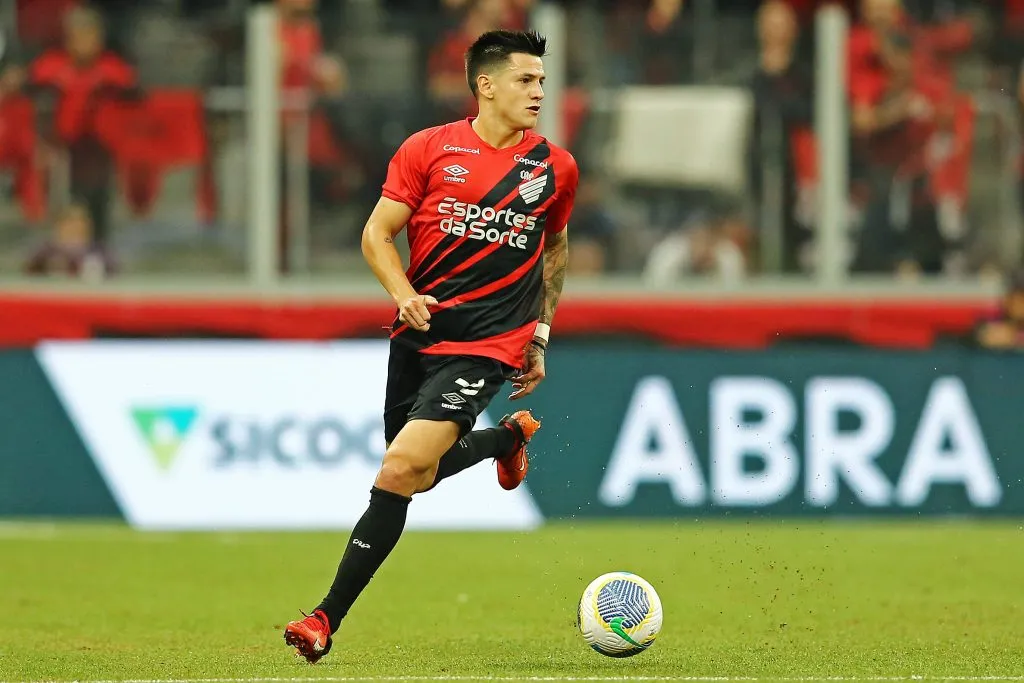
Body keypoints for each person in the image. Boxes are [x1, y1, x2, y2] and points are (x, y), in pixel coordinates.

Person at [282, 28, 578, 663]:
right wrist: (402, 292)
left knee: (398, 469)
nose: (538, 91)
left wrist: (541, 332)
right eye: (526, 80)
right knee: (411, 471)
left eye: (542, 81)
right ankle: (507, 439)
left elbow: (553, 245)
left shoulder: (554, 168)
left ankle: (323, 618)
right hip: (419, 333)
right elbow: (376, 234)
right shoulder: (429, 149)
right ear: (486, 86)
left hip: (492, 342)